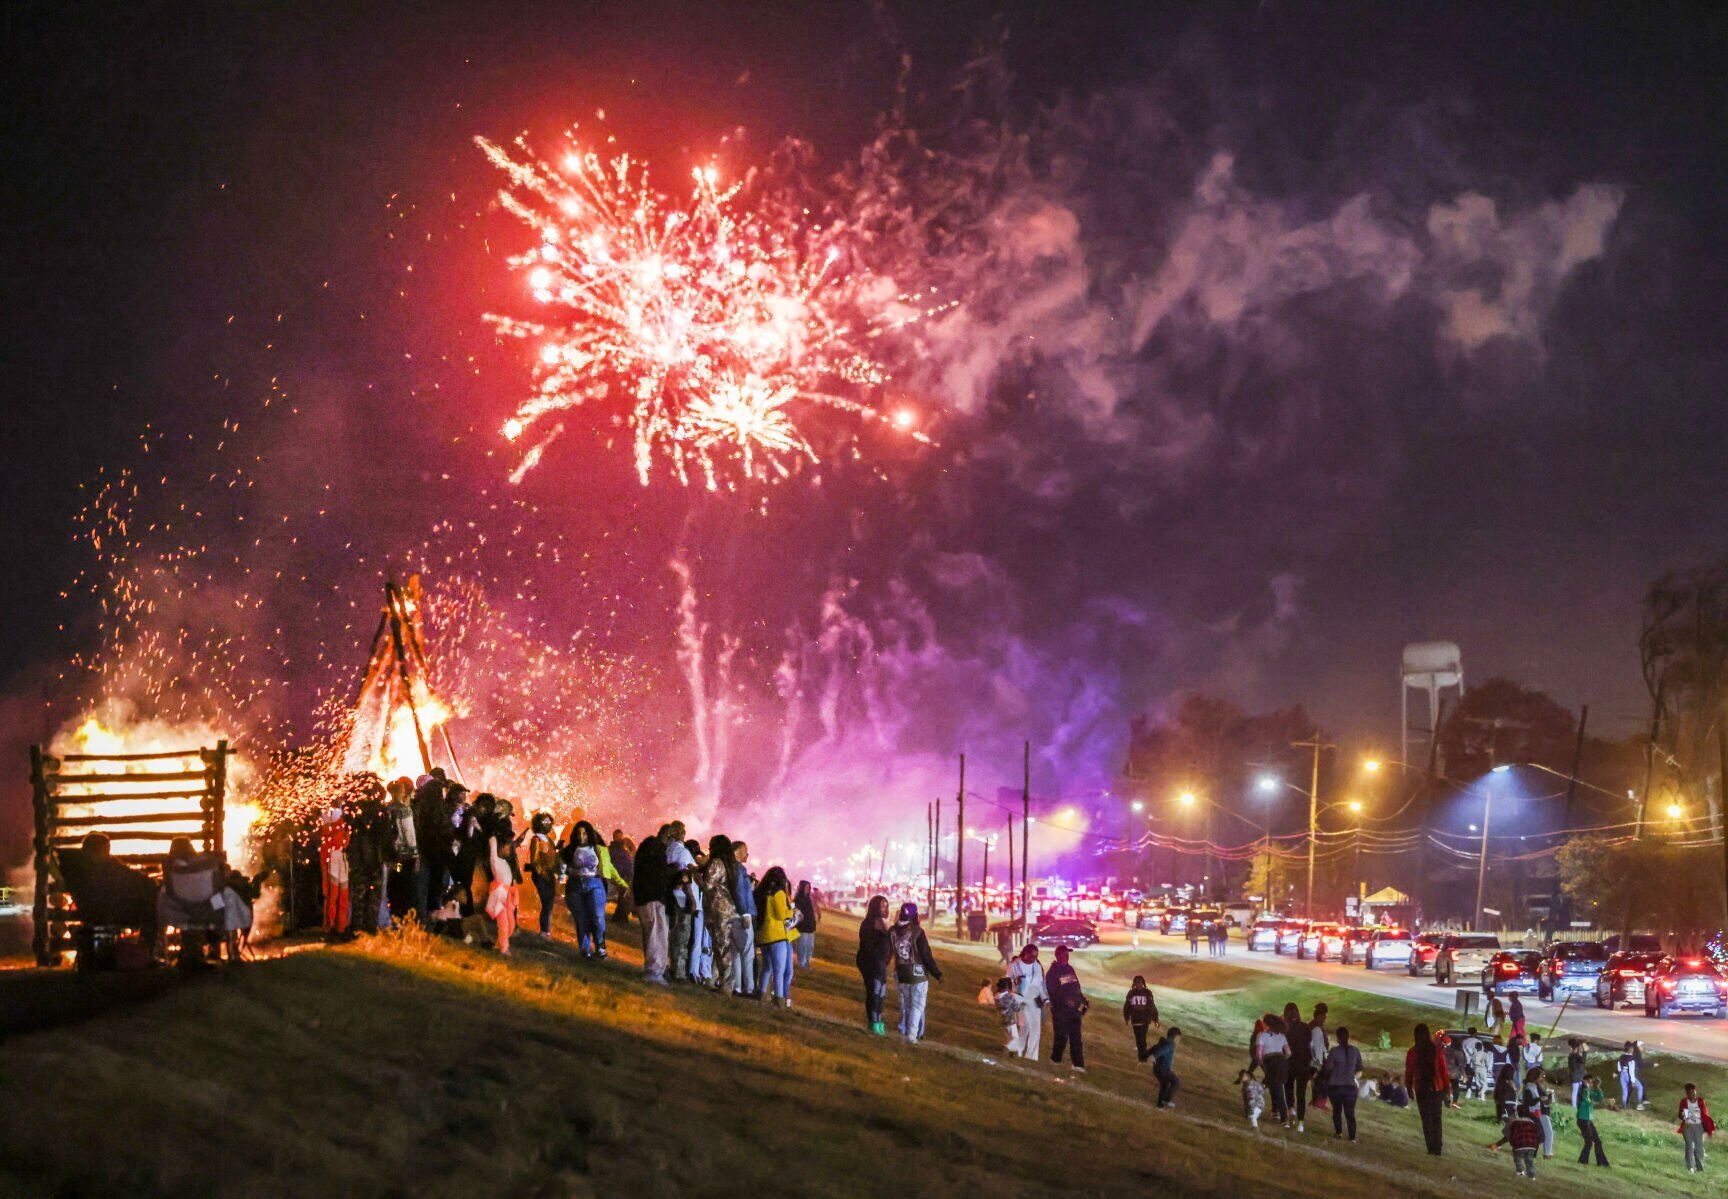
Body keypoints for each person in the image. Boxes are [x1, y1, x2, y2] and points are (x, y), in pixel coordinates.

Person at [562, 821, 621, 959]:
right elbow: (560, 866)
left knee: (597, 916)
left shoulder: (598, 848)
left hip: (595, 883)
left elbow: (608, 866)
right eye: (579, 834)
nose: (581, 836)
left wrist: (619, 882)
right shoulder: (570, 850)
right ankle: (585, 949)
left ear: (589, 834)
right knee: (581, 918)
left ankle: (600, 945)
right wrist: (567, 871)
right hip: (576, 885)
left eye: (584, 833)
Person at [888, 901, 942, 1040]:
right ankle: (912, 1036)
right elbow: (926, 955)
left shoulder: (892, 931)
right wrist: (937, 974)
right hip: (917, 971)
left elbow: (887, 952)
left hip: (900, 971)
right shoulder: (917, 932)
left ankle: (905, 1032)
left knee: (906, 1005)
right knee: (917, 1005)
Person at [631, 825, 673, 984]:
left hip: (646, 897)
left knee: (653, 932)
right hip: (652, 897)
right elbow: (657, 874)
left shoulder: (647, 847)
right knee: (656, 933)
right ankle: (653, 972)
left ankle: (655, 970)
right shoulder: (656, 850)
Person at [697, 835, 740, 992]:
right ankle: (718, 980)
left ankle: (726, 984)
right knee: (723, 946)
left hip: (718, 909)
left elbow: (707, 885)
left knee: (721, 947)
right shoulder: (731, 865)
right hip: (728, 909)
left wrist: (695, 875)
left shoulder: (716, 863)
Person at [756, 865, 799, 1007]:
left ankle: (761, 994)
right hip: (777, 936)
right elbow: (781, 914)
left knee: (767, 967)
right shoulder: (778, 893)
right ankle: (779, 999)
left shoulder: (760, 892)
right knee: (779, 971)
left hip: (763, 935)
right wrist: (791, 912)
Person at [1404, 1022, 1449, 1155]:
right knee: (1436, 1119)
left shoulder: (1412, 1052)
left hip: (1421, 1089)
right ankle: (1437, 1147)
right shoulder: (1436, 1050)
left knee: (1426, 1119)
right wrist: (1447, 1089)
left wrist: (1409, 1087)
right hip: (1436, 1089)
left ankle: (1431, 1147)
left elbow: (1409, 1071)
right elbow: (1443, 1071)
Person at [1045, 944, 1089, 1071]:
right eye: (1064, 954)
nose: (1067, 956)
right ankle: (1055, 1060)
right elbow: (1053, 992)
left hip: (1074, 1010)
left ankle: (1078, 1065)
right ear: (1058, 956)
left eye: (1067, 954)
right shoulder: (1052, 973)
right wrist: (1065, 1001)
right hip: (1060, 1011)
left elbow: (1076, 987)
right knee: (1061, 1037)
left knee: (1076, 1038)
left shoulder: (1070, 969)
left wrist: (1083, 1000)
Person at [663, 823, 697, 982]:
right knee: (681, 938)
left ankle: (666, 966)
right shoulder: (682, 852)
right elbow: (685, 875)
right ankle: (679, 972)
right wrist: (691, 897)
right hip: (681, 900)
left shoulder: (667, 849)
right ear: (682, 833)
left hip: (669, 896)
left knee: (669, 936)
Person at [484, 808, 519, 955]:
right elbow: (492, 855)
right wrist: (493, 840)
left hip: (507, 896)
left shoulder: (506, 863)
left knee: (510, 925)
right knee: (503, 923)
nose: (509, 849)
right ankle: (504, 949)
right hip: (499, 894)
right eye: (507, 847)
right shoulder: (496, 861)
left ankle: (499, 944)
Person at [856, 894, 892, 1033]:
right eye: (882, 906)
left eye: (886, 906)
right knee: (875, 992)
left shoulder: (879, 921)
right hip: (871, 961)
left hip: (880, 962)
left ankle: (878, 1021)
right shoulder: (874, 922)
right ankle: (874, 1022)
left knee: (881, 992)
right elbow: (889, 934)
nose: (884, 909)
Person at [1322, 1026, 1364, 1141]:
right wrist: (1353, 1078)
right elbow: (1359, 1069)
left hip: (1335, 1086)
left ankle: (1339, 1132)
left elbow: (1328, 1068)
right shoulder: (1355, 1051)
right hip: (1350, 1086)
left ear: (1338, 1038)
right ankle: (1352, 1137)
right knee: (1350, 1113)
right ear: (1348, 1037)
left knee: (1337, 1110)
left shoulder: (1334, 1051)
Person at [524, 813, 561, 938]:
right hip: (541, 875)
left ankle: (546, 930)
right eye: (545, 822)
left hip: (549, 874)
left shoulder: (548, 839)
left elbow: (553, 857)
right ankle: (544, 931)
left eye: (549, 822)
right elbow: (534, 860)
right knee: (547, 902)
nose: (547, 824)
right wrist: (541, 872)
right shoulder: (537, 839)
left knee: (549, 903)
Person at [1008, 945, 1047, 1060]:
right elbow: (1007, 981)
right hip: (1020, 997)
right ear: (1025, 953)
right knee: (1025, 1025)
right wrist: (1016, 980)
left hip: (1034, 998)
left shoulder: (1037, 967)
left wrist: (1046, 999)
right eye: (1031, 955)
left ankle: (1031, 1056)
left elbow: (1040, 985)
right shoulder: (1014, 965)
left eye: (1035, 956)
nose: (1033, 958)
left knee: (1036, 1028)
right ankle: (1016, 1048)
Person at [731, 841, 758, 997]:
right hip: (741, 916)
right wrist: (746, 913)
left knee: (734, 953)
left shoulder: (730, 868)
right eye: (745, 851)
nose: (747, 855)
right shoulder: (739, 870)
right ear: (737, 852)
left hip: (732, 914)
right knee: (747, 954)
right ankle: (749, 988)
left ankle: (737, 986)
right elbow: (741, 892)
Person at [319, 806, 351, 935]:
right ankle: (338, 926)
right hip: (339, 858)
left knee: (334, 895)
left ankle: (334, 925)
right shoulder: (341, 821)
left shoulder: (328, 819)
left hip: (334, 857)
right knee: (339, 896)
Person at [1257, 1014, 1292, 1127]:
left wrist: (1262, 1063)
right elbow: (1288, 1053)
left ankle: (1284, 1118)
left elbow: (1259, 1053)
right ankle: (1275, 1111)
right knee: (1274, 1086)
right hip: (1281, 1062)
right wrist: (1282, 1061)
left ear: (1266, 1024)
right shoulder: (1281, 1036)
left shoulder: (1262, 1035)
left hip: (1270, 1062)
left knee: (1277, 1090)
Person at [1286, 1002, 1315, 1130]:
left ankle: (1291, 1108)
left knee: (1289, 1087)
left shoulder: (1285, 1028)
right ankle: (1301, 1123)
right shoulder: (1305, 1027)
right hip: (1303, 1065)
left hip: (1290, 1063)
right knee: (1301, 1093)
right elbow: (1310, 1045)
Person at [1678, 1082, 1715, 1174]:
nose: (1693, 1094)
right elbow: (1679, 1115)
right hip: (1688, 1126)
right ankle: (1690, 1167)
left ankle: (1700, 1167)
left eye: (1694, 1092)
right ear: (1687, 1094)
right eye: (1691, 1093)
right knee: (1689, 1146)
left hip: (1698, 1126)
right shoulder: (1683, 1102)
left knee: (1699, 1147)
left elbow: (1705, 1115)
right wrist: (1683, 1115)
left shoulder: (1701, 1101)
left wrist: (1709, 1130)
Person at [1122, 974, 1160, 1061]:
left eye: (1139, 982)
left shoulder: (1147, 993)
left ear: (1143, 983)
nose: (1138, 984)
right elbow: (1126, 1006)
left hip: (1144, 1020)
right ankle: (1142, 1056)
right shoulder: (1131, 994)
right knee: (1138, 1039)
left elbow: (1152, 1007)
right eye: (1136, 983)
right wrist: (1126, 1017)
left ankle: (1142, 1057)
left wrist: (1155, 1019)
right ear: (1134, 984)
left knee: (1142, 1038)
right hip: (1135, 1020)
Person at [1576, 1074, 1609, 1167]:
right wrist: (1587, 1087)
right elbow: (1587, 1100)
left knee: (1597, 1141)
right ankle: (1582, 1161)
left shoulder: (1589, 1091)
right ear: (1584, 1081)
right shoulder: (1582, 1090)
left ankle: (1602, 1162)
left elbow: (1599, 1098)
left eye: (1591, 1082)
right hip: (1582, 1119)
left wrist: (1597, 1087)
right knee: (1589, 1141)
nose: (1590, 1084)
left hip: (1588, 1120)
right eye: (1589, 1082)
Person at [607, 828, 635, 923]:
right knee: (626, 894)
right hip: (620, 877)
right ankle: (621, 916)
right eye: (619, 837)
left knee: (625, 895)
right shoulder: (619, 851)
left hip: (620, 876)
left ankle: (620, 916)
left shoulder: (614, 850)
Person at [992, 977, 1027, 1053]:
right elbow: (1016, 1008)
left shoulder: (996, 995)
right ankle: (1006, 1047)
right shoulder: (1009, 997)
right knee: (1015, 1037)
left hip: (1000, 1018)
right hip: (1009, 1019)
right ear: (1007, 987)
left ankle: (1010, 1048)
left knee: (1009, 1036)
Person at [1148, 1026, 1181, 1107]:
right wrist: (1154, 1056)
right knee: (1176, 1081)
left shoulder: (1162, 1042)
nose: (1179, 1041)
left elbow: (1155, 1049)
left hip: (1157, 1070)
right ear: (1175, 1037)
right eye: (1178, 1038)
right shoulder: (1170, 1045)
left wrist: (1148, 1055)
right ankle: (1166, 1100)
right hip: (1163, 1069)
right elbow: (1163, 1051)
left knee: (1164, 1084)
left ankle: (1160, 1105)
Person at [792, 880, 819, 970]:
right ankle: (801, 963)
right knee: (802, 945)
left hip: (810, 927)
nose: (807, 889)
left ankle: (807, 962)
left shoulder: (808, 899)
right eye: (806, 887)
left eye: (809, 888)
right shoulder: (797, 900)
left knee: (809, 946)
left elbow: (811, 912)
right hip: (802, 927)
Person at [1507, 1107, 1542, 1178]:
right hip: (1531, 1145)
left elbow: (1512, 1135)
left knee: (1518, 1159)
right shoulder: (1532, 1123)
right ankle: (1531, 1175)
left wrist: (1513, 1145)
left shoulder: (1515, 1123)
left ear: (1518, 1113)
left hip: (1519, 1145)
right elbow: (1537, 1135)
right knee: (1529, 1161)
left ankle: (1520, 1173)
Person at [1618, 1040, 1646, 1109]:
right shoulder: (1632, 1059)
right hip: (1629, 1075)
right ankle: (1639, 1104)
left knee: (1625, 1091)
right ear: (1630, 1049)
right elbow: (1631, 1071)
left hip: (1622, 1075)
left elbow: (1619, 1068)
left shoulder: (1621, 1057)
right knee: (1640, 1087)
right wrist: (1633, 1081)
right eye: (1632, 1048)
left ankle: (1623, 1106)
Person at [1566, 1037, 1588, 1109]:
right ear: (1576, 1048)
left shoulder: (1572, 1056)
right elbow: (1582, 1061)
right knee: (1575, 1091)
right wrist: (1584, 1051)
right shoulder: (1574, 1056)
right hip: (1576, 1076)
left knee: (1576, 1091)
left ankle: (1576, 1104)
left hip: (1576, 1076)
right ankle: (1574, 1105)